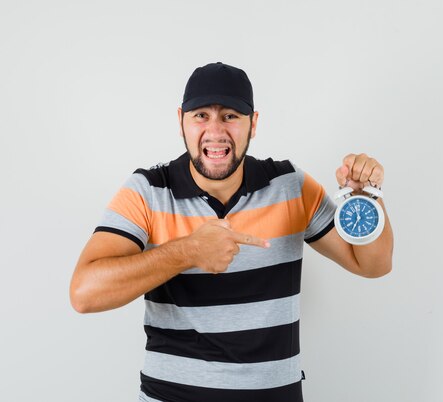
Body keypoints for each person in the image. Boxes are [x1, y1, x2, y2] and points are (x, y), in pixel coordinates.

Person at [70, 62, 393, 402]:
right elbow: (84, 293)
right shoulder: (149, 190)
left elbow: (373, 264)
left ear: (253, 123)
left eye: (230, 116)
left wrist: (366, 197)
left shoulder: (289, 186)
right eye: (201, 115)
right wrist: (188, 251)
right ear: (181, 119)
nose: (215, 131)